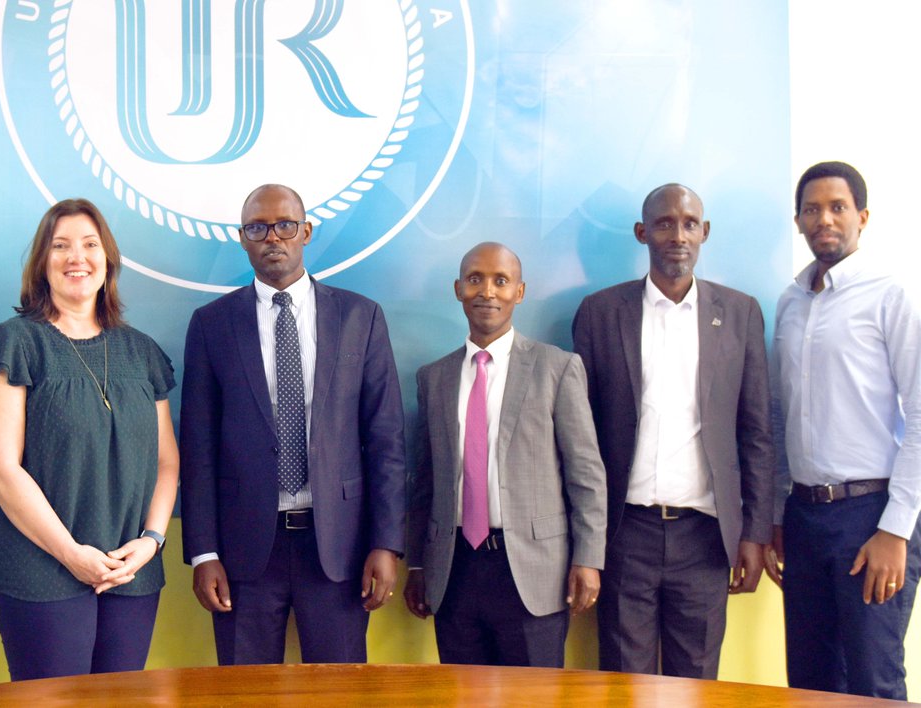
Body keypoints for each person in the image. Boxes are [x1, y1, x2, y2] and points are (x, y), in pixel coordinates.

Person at [179, 183, 406, 664]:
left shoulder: (359, 317)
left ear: (305, 231)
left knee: (339, 696)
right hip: (243, 553)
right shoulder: (212, 324)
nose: (272, 238)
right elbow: (197, 449)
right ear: (243, 238)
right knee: (243, 697)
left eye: (285, 226)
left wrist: (386, 543)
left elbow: (385, 440)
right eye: (258, 228)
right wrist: (203, 552)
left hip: (338, 548)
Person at [0, 198, 178, 680]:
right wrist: (70, 553)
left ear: (108, 260)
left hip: (131, 571)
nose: (76, 257)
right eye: (60, 246)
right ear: (42, 262)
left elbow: (167, 463)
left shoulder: (141, 352)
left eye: (89, 244)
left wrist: (151, 541)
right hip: (40, 571)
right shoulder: (14, 343)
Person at [571, 183, 774, 678]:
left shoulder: (740, 312)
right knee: (624, 683)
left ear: (704, 233)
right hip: (625, 534)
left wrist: (755, 532)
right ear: (643, 233)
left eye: (688, 224)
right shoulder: (600, 313)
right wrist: (586, 542)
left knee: (697, 683)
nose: (677, 234)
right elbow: (581, 437)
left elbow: (757, 433)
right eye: (664, 223)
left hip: (705, 538)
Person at [404, 242, 606, 666]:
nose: (487, 292)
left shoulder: (557, 368)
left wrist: (589, 558)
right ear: (458, 288)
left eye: (501, 281)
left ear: (520, 291)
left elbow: (585, 474)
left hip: (534, 573)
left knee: (534, 698)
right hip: (455, 570)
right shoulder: (434, 378)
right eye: (475, 279)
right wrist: (419, 565)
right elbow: (424, 481)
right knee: (462, 696)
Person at [765, 162, 921, 699]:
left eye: (837, 207)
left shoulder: (890, 296)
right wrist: (777, 513)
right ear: (798, 220)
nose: (824, 219)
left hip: (870, 517)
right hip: (804, 519)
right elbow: (780, 414)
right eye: (812, 209)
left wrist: (896, 530)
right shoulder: (789, 303)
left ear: (862, 217)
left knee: (872, 680)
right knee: (809, 682)